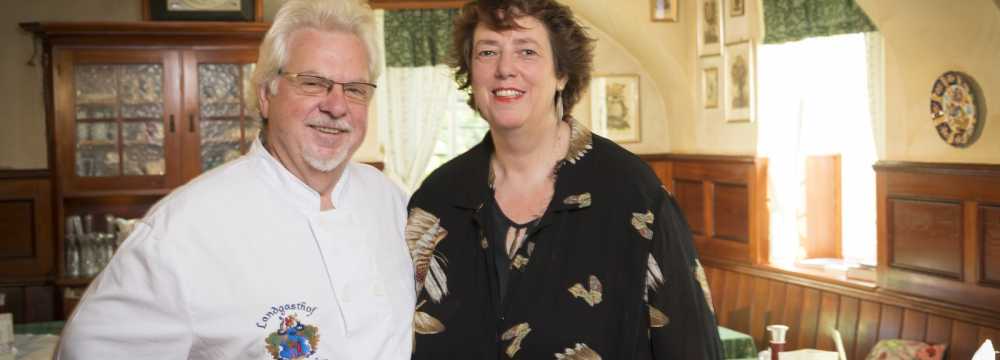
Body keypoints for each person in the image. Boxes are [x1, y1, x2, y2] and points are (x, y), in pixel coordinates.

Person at [56, 0, 414, 358]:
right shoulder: (181, 232)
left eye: (355, 89)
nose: (337, 107)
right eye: (312, 83)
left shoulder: (391, 201)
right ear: (264, 95)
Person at [405, 0, 724, 358]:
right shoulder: (436, 198)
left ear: (562, 73)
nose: (505, 68)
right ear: (471, 72)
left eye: (526, 51)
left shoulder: (634, 195)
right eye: (487, 52)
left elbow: (692, 347)